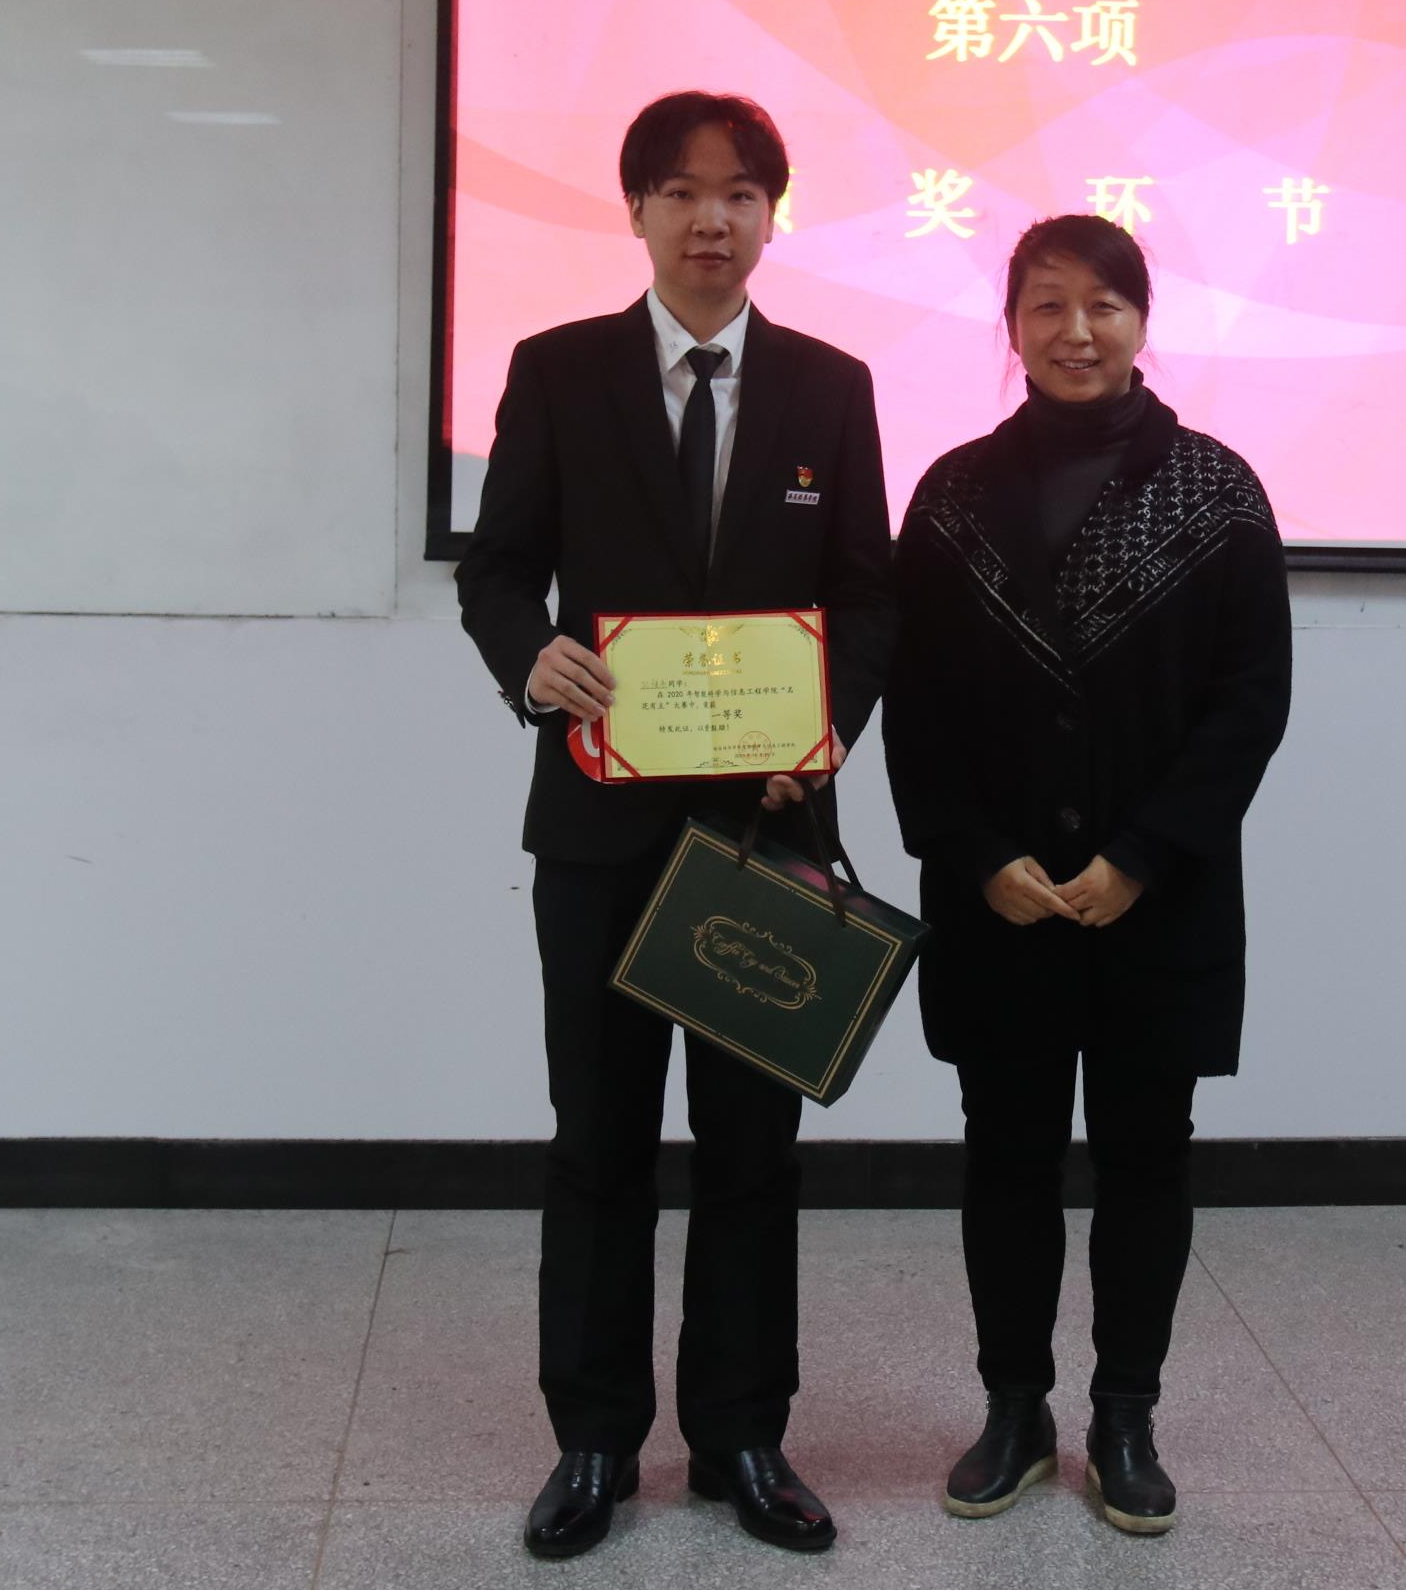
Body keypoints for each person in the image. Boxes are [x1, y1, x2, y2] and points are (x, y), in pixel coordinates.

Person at [456, 91, 893, 1560]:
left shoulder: (830, 386)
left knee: (754, 1149)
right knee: (599, 1141)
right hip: (599, 827)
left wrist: (827, 723)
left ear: (774, 215)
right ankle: (593, 1441)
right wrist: (531, 659)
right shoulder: (558, 370)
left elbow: (868, 592)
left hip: (767, 828)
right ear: (637, 208)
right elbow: (498, 567)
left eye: (743, 194)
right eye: (685, 192)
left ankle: (741, 1436)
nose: (715, 220)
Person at [882, 213, 1293, 1537]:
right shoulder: (951, 497)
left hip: (1156, 905)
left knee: (1144, 1159)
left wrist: (1142, 855)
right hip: (996, 905)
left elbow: (1250, 702)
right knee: (1004, 1157)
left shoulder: (1218, 492)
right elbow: (915, 704)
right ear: (1010, 327)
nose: (1076, 331)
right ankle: (1015, 1409)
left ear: (1141, 322)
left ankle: (1126, 1415)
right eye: (1048, 305)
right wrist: (975, 853)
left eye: (1104, 305)